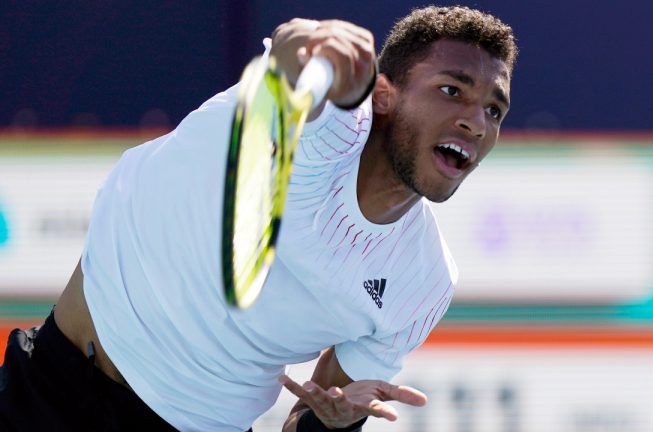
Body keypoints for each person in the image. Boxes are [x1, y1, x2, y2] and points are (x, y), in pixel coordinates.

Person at [0, 5, 517, 431]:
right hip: (50, 384)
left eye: (494, 110)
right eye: (452, 90)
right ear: (383, 95)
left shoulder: (423, 280)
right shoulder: (327, 122)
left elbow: (307, 421)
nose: (475, 122)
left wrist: (336, 421)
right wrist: (305, 41)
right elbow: (296, 68)